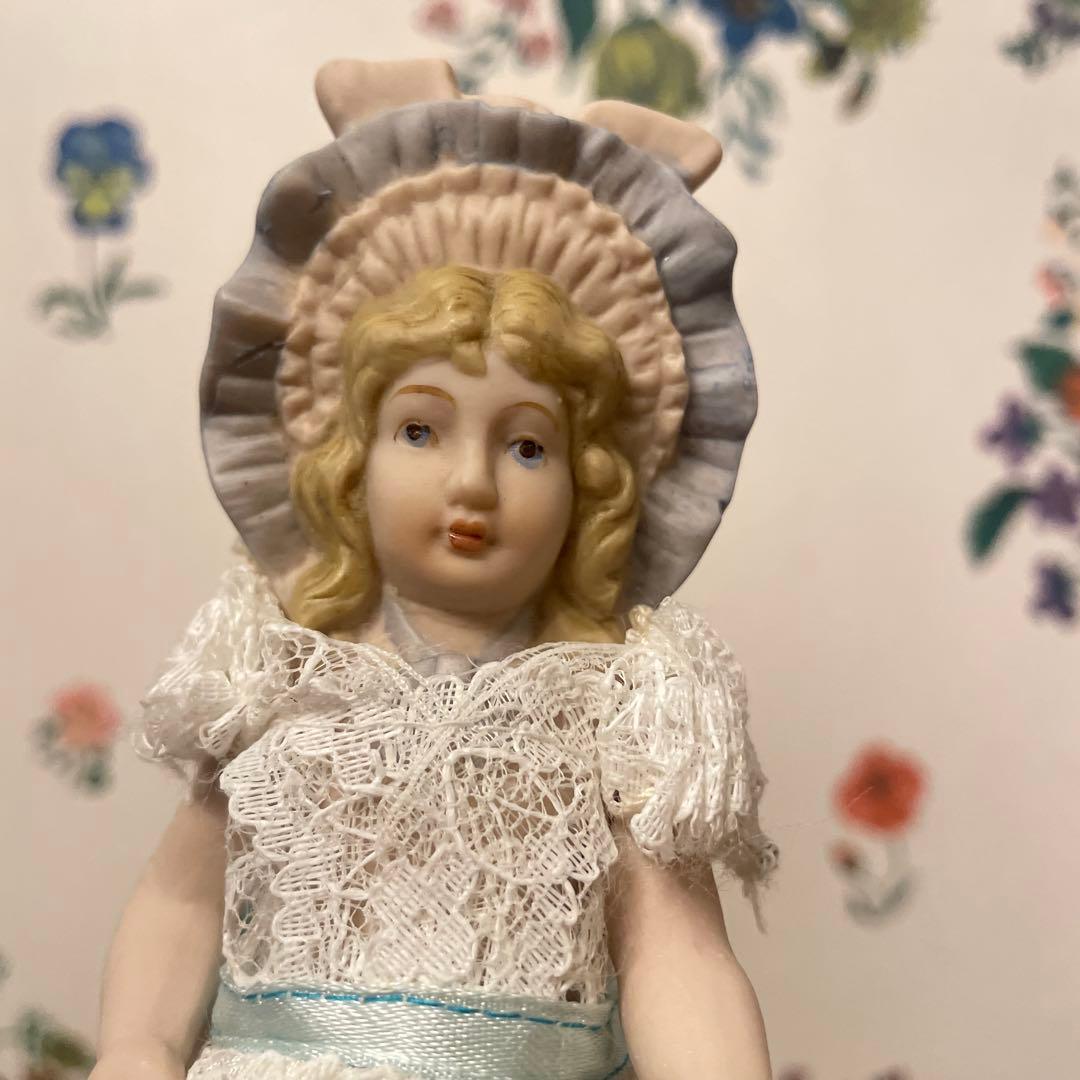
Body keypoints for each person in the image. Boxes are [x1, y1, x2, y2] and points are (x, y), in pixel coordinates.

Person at [89, 60, 777, 1080]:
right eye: (420, 430)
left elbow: (677, 956)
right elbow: (184, 897)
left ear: (591, 485)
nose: (472, 483)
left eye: (527, 446)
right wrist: (136, 1048)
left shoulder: (619, 706)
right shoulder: (278, 673)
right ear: (351, 454)